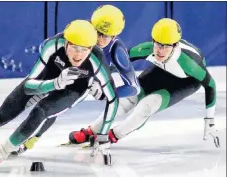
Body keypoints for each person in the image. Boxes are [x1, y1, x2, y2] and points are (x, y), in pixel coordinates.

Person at [0, 20, 119, 170]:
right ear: (66, 43)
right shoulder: (52, 46)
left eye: (85, 49)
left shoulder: (97, 62)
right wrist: (55, 83)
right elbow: (29, 86)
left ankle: (3, 150)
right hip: (49, 78)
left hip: (74, 89)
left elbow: (113, 99)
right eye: (75, 48)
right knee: (2, 114)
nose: (79, 54)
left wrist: (103, 136)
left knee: (41, 111)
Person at [0, 4, 141, 155]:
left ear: (115, 36)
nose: (100, 39)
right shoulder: (81, 31)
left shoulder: (116, 51)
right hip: (57, 70)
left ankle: (31, 139)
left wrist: (103, 92)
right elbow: (46, 46)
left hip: (81, 83)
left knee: (49, 108)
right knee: (23, 94)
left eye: (106, 36)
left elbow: (133, 87)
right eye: (98, 32)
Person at [69, 18, 220, 148]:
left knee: (147, 105)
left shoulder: (190, 63)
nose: (160, 50)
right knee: (128, 99)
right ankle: (92, 130)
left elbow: (211, 85)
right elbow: (118, 61)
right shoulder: (148, 49)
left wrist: (209, 121)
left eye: (166, 46)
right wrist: (90, 74)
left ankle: (113, 136)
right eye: (157, 44)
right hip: (160, 72)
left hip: (186, 82)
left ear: (175, 46)